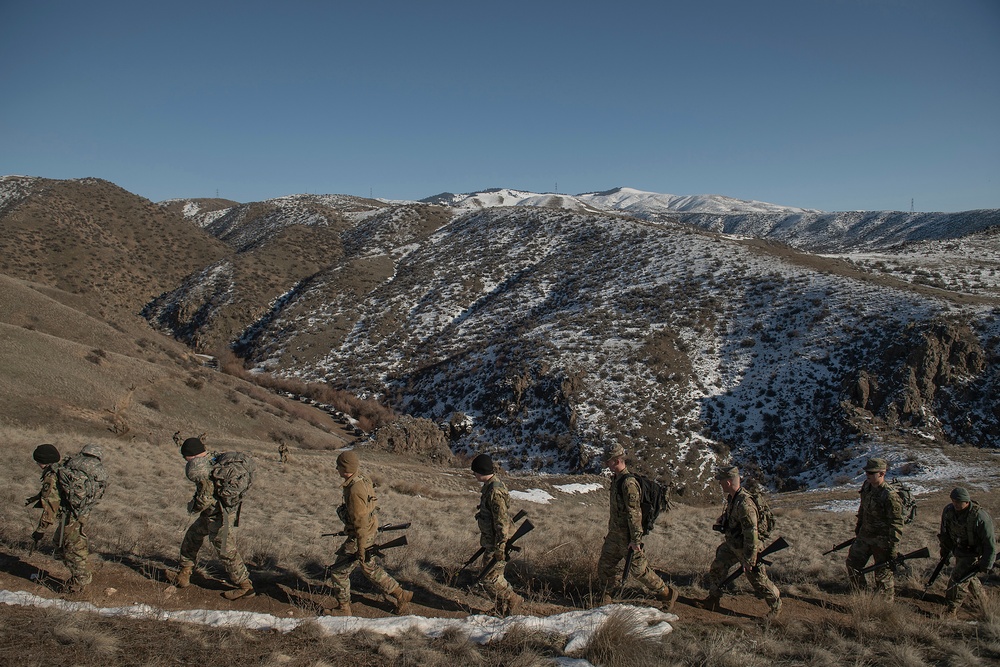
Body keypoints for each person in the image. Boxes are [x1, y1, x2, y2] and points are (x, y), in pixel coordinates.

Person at [325, 450, 412, 616]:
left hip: (361, 535)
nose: (336, 469)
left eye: (338, 466)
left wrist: (361, 546)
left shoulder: (354, 489)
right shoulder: (362, 478)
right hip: (369, 531)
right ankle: (401, 595)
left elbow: (360, 519)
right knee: (369, 568)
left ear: (345, 468)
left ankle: (344, 609)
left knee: (338, 571)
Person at [595, 444, 678, 609]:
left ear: (617, 460)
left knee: (639, 570)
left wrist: (636, 540)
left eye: (609, 460)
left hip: (628, 537)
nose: (606, 463)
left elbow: (635, 513)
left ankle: (666, 593)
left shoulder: (628, 484)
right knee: (605, 565)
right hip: (615, 534)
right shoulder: (617, 480)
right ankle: (606, 596)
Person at [175, 437, 255, 600]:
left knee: (226, 550)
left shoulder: (202, 469)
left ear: (190, 455)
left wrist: (192, 507)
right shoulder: (215, 459)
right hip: (217, 513)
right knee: (192, 536)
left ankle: (245, 586)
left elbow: (205, 499)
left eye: (185, 457)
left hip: (219, 516)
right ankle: (184, 572)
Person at [702, 466, 781, 618]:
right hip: (733, 545)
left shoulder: (745, 504)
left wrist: (749, 559)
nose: (719, 484)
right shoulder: (733, 498)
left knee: (759, 581)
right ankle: (713, 598)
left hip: (748, 548)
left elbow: (752, 534)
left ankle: (776, 607)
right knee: (717, 567)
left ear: (728, 483)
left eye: (721, 481)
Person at [471, 453, 523, 616]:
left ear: (480, 471)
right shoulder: (490, 486)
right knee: (491, 575)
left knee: (489, 577)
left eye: (475, 472)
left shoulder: (494, 490)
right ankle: (501, 608)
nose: (474, 475)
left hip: (498, 542)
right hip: (492, 540)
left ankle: (513, 598)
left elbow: (501, 521)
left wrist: (500, 546)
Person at [846, 457, 904, 601]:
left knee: (882, 576)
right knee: (853, 564)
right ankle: (862, 596)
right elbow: (863, 508)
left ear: (882, 473)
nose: (868, 475)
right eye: (867, 472)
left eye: (872, 473)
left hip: (882, 541)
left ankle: (884, 609)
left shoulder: (890, 496)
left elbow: (896, 523)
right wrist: (859, 527)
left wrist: (892, 548)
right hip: (865, 536)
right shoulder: (867, 486)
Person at [938, 486, 996, 618]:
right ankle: (984, 602)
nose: (956, 504)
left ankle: (951, 609)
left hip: (972, 553)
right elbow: (945, 533)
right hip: (958, 549)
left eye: (959, 502)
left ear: (967, 502)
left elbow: (990, 543)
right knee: (969, 577)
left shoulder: (980, 517)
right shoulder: (948, 511)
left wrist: (986, 563)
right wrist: (945, 551)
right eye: (954, 501)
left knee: (958, 580)